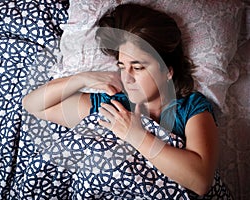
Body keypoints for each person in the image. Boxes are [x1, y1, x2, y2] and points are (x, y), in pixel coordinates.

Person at [23, 3, 231, 198]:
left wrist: (135, 135)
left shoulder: (191, 108)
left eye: (138, 67)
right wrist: (82, 78)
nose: (128, 77)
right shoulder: (113, 103)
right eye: (122, 66)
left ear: (167, 70)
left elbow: (200, 181)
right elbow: (34, 106)